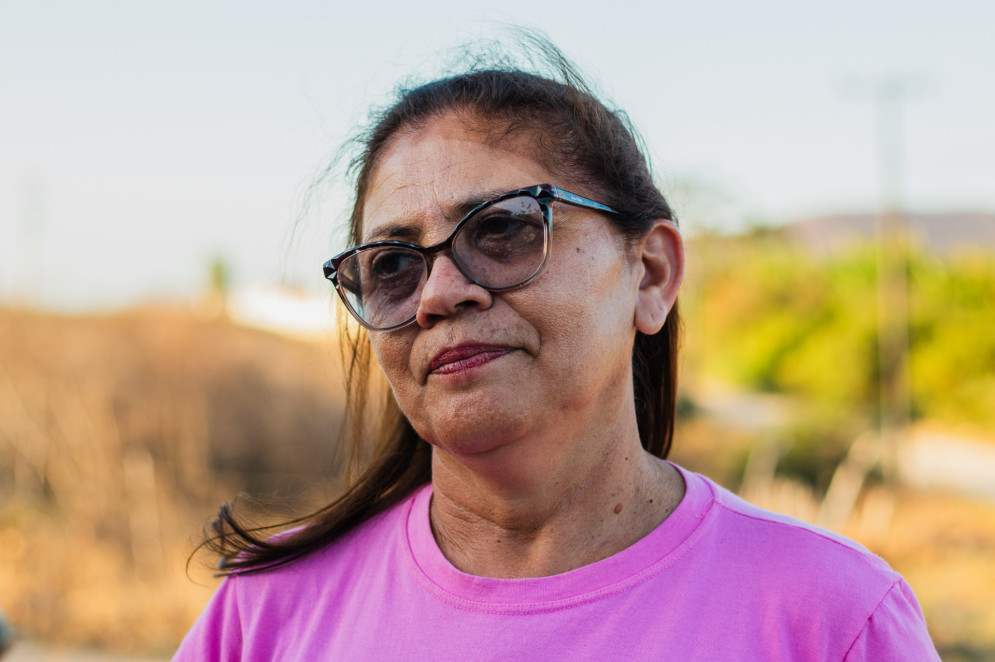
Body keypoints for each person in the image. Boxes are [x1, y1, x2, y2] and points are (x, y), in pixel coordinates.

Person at [175, 36, 939, 660]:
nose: (439, 293)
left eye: (502, 229)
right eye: (391, 265)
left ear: (650, 273)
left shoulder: (830, 619)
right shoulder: (267, 613)